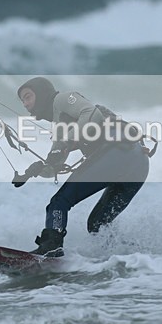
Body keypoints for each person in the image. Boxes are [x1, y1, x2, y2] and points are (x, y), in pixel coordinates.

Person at [13, 77, 150, 257]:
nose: (25, 104)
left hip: (119, 152)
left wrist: (66, 142)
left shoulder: (62, 99)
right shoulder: (60, 129)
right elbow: (55, 165)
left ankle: (51, 248)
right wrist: (34, 171)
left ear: (42, 93)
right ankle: (133, 256)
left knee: (58, 203)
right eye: (22, 100)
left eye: (28, 97)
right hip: (137, 165)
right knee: (97, 226)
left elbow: (92, 113)